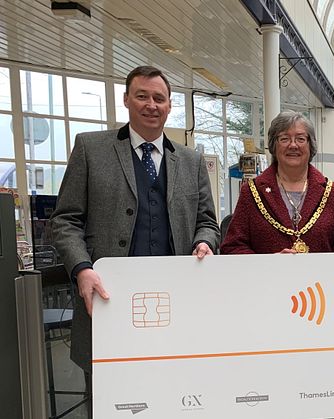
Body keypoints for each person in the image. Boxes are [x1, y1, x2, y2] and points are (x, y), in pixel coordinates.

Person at [51, 66, 220, 382]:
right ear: (126, 99)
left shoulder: (191, 161)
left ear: (169, 106)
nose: (151, 105)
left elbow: (207, 221)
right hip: (108, 302)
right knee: (111, 398)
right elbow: (64, 220)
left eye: (159, 98)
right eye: (142, 96)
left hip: (177, 306)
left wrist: (205, 242)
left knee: (177, 392)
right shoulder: (90, 149)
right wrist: (81, 268)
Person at [220, 111, 334, 298]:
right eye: (284, 138)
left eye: (300, 138)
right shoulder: (251, 192)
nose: (293, 145)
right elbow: (232, 247)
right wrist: (268, 264)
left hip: (320, 299)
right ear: (274, 145)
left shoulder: (333, 193)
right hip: (266, 296)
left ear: (310, 145)